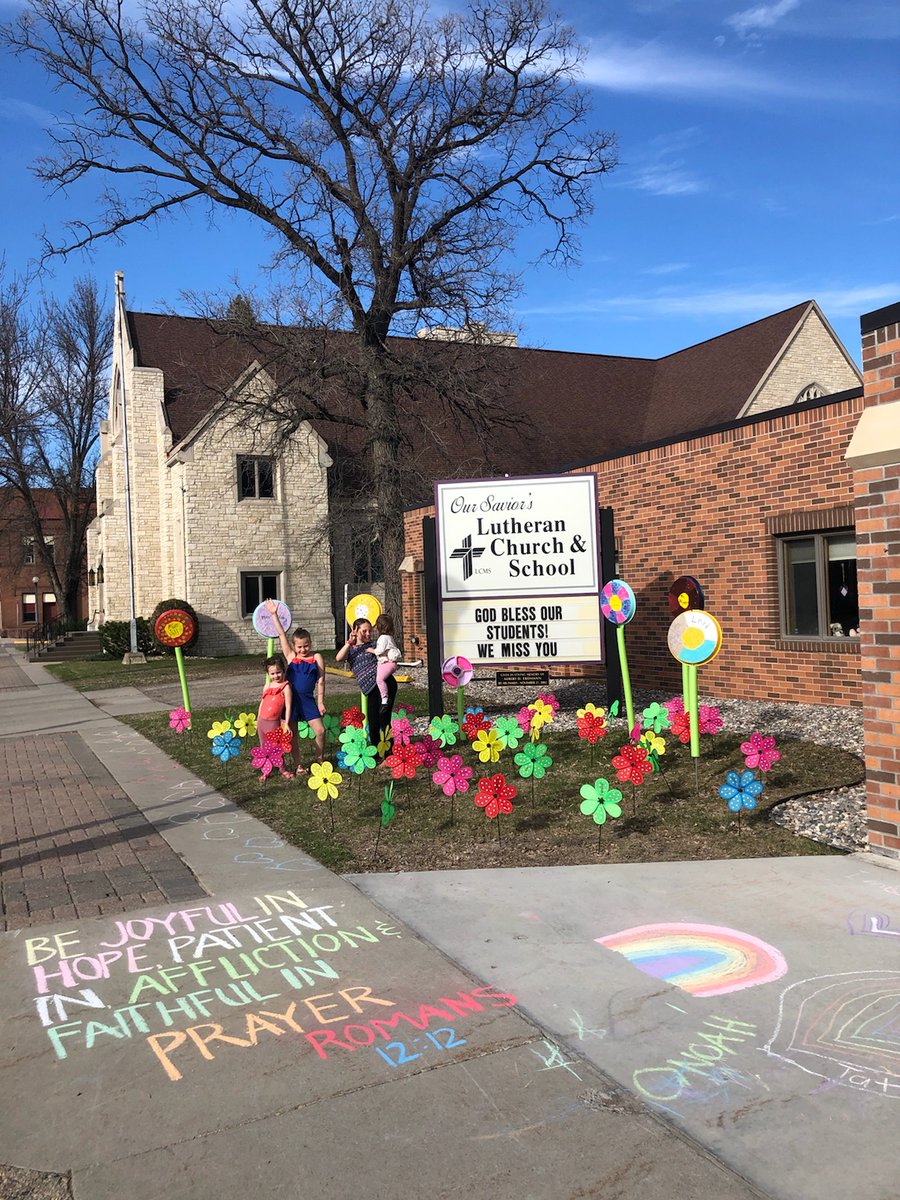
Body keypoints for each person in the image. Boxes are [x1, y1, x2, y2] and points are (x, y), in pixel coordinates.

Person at [263, 599, 326, 774]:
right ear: (294, 646)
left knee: (320, 731)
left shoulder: (317, 658)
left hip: (308, 701)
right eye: (299, 646)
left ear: (310, 644)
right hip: (290, 702)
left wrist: (320, 702)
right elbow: (282, 634)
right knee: (293, 736)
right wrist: (274, 614)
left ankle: (319, 759)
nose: (303, 649)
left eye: (306, 645)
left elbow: (321, 681)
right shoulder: (291, 657)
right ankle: (298, 765)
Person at [335, 617, 396, 748]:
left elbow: (390, 653)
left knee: (384, 720)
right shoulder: (351, 649)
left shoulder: (375, 645)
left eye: (370, 631)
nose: (368, 634)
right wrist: (349, 643)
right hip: (370, 690)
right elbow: (338, 658)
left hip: (385, 685)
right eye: (364, 631)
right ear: (355, 631)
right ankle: (376, 751)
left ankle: (389, 753)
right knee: (373, 722)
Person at [256, 655, 294, 780]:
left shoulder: (285, 687)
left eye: (278, 672)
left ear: (283, 671)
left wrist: (287, 723)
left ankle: (282, 769)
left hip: (273, 722)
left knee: (276, 747)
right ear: (268, 674)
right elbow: (262, 703)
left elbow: (288, 706)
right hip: (262, 721)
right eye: (272, 673)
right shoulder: (267, 686)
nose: (275, 676)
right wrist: (257, 719)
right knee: (264, 746)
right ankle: (266, 770)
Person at [367, 613, 402, 713]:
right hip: (389, 662)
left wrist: (371, 650)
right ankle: (385, 699)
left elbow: (379, 651)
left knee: (379, 679)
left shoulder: (383, 638)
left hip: (388, 663)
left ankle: (384, 699)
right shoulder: (389, 637)